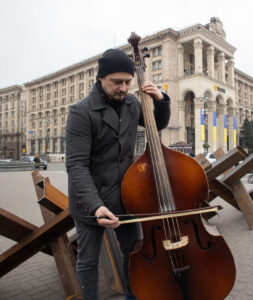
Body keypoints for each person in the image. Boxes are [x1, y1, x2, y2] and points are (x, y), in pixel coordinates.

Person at [66, 48, 171, 300]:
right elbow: (77, 165)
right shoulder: (81, 112)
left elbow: (157, 125)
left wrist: (161, 100)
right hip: (90, 200)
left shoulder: (133, 104)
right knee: (88, 260)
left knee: (132, 253)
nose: (123, 88)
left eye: (127, 82)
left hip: (127, 196)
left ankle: (132, 297)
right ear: (100, 78)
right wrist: (95, 206)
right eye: (116, 82)